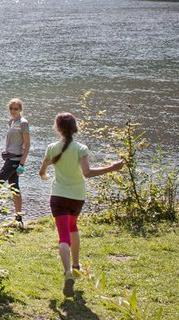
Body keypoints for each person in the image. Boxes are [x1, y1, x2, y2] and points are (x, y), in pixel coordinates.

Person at [38, 112, 125, 297]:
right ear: (74, 128)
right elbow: (87, 173)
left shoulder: (52, 147)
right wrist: (112, 167)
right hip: (77, 197)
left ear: (57, 128)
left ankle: (68, 272)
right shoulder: (81, 148)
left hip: (58, 196)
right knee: (73, 227)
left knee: (63, 237)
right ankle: (76, 266)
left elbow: (42, 170)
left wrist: (45, 176)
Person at [0, 98, 30, 224]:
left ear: (21, 109)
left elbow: (27, 145)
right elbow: (14, 143)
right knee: (15, 188)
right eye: (11, 108)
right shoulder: (11, 122)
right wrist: (5, 152)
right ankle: (19, 218)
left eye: (16, 109)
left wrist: (22, 164)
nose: (13, 111)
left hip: (15, 161)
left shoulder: (23, 123)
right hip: (10, 158)